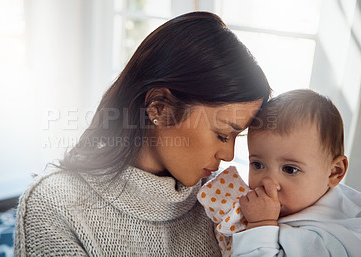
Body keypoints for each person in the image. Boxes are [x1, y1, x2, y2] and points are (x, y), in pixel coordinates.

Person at [14, 11, 271, 256]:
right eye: (223, 134)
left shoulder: (224, 199)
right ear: (160, 107)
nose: (228, 155)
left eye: (238, 137)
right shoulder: (53, 206)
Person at [198, 89, 361, 257]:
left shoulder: (326, 239)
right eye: (258, 165)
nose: (267, 183)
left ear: (334, 172)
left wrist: (261, 225)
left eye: (290, 169)